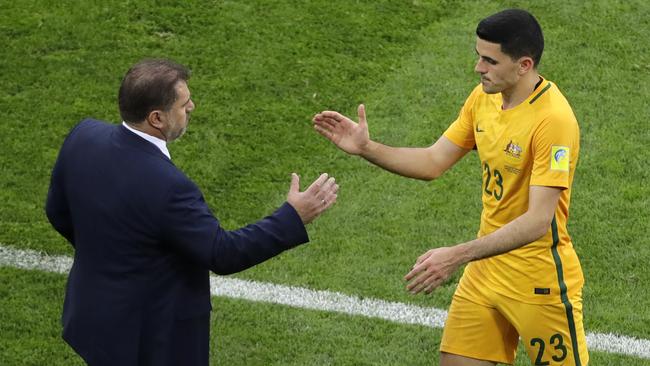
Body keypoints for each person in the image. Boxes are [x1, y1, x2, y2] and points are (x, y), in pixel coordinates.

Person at [313, 9, 588, 366]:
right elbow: (433, 162)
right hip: (485, 273)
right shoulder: (483, 98)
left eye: (490, 60)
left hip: (538, 283)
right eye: (478, 56)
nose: (479, 68)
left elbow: (538, 220)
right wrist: (367, 148)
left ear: (523, 65)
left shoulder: (554, 121)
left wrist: (458, 255)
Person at [45, 58, 339, 366]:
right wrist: (293, 215)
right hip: (149, 337)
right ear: (157, 118)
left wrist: (114, 254)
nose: (192, 107)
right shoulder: (168, 186)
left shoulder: (83, 136)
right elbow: (223, 253)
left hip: (96, 320)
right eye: (184, 104)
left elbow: (57, 211)